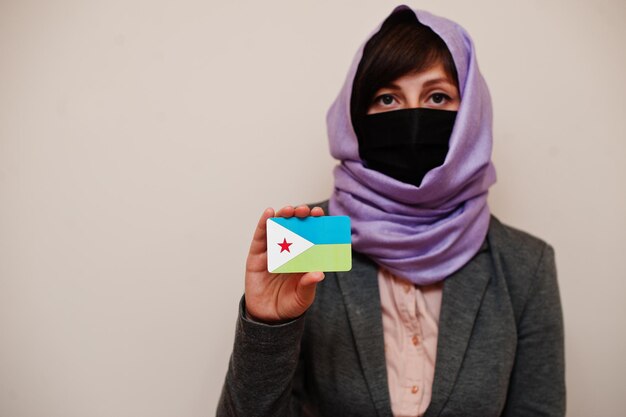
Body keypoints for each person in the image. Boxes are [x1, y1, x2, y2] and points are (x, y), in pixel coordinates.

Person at [217, 5, 565, 417]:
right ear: (356, 116)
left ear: (471, 115)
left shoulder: (525, 265)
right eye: (386, 98)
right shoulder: (309, 238)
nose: (412, 119)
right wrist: (267, 328)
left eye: (438, 97)